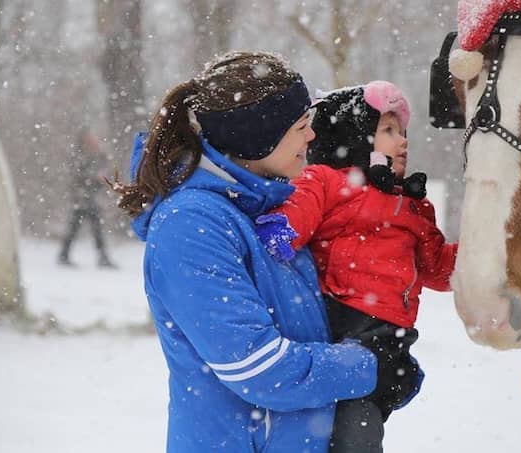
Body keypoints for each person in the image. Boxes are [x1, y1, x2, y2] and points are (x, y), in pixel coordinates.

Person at [110, 51, 378, 453]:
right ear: (258, 136)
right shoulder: (191, 226)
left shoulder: (266, 207)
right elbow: (260, 369)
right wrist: (369, 366)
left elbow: (311, 333)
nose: (311, 137)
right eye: (301, 125)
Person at [257, 80, 458, 452]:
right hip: (343, 326)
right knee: (349, 434)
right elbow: (300, 210)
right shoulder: (330, 180)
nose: (402, 141)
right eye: (388, 130)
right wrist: (281, 230)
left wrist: (478, 259)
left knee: (359, 427)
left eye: (402, 132)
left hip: (390, 340)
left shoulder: (414, 206)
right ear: (355, 133)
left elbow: (437, 268)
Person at [58, 127, 116, 268]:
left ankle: (101, 256)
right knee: (76, 228)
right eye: (90, 139)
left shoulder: (99, 156)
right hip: (81, 198)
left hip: (92, 198)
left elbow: (105, 173)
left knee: (94, 228)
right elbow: (76, 176)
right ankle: (65, 255)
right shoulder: (78, 156)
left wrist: (101, 179)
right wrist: (93, 178)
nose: (93, 141)